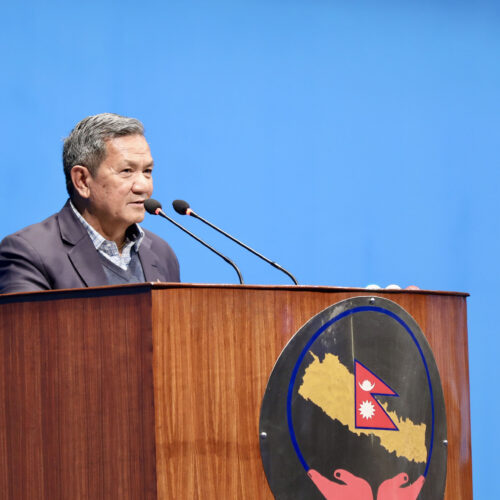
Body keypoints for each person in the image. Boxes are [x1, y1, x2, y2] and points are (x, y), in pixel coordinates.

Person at [0, 113, 180, 294]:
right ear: (82, 181)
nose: (143, 186)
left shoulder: (161, 253)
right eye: (126, 171)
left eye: (147, 171)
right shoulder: (29, 252)